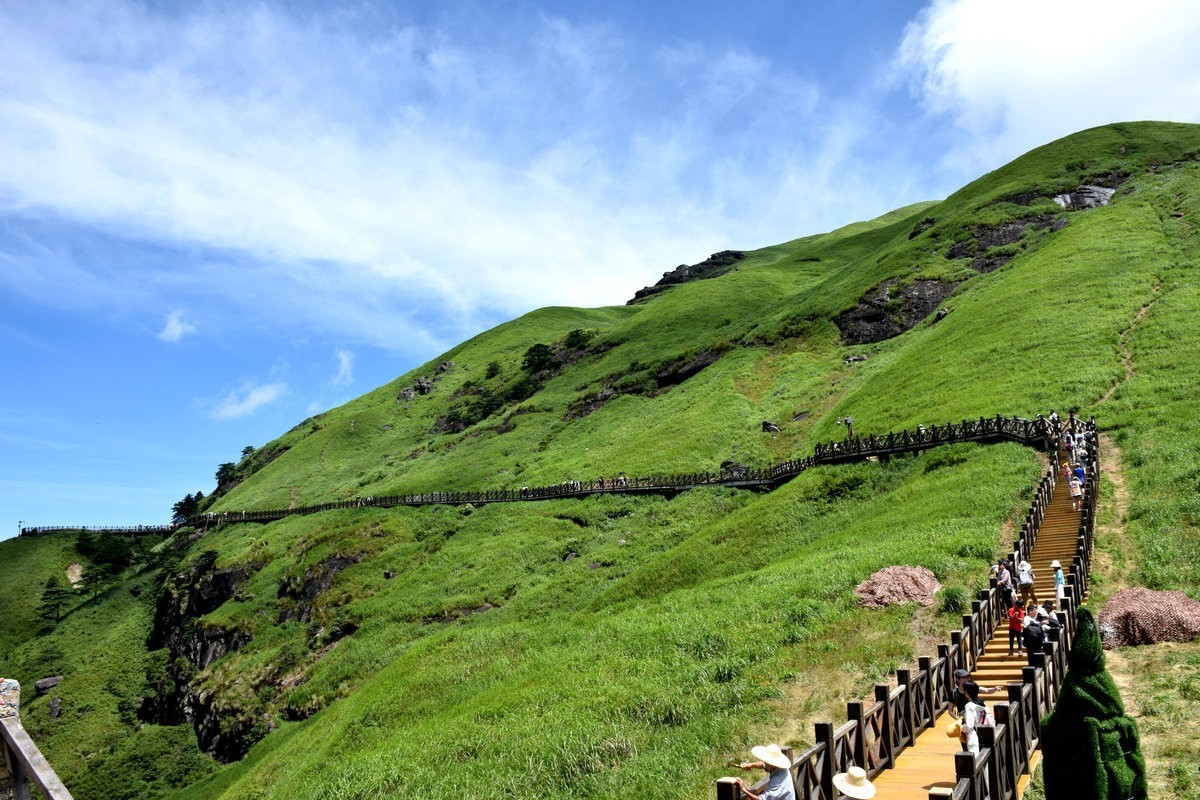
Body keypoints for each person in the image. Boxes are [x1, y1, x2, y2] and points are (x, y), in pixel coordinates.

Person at [960, 681, 993, 756]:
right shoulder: (983, 704)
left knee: (977, 759)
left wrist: (959, 727)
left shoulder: (969, 706)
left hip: (974, 738)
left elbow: (968, 727)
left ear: (966, 692)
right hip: (985, 736)